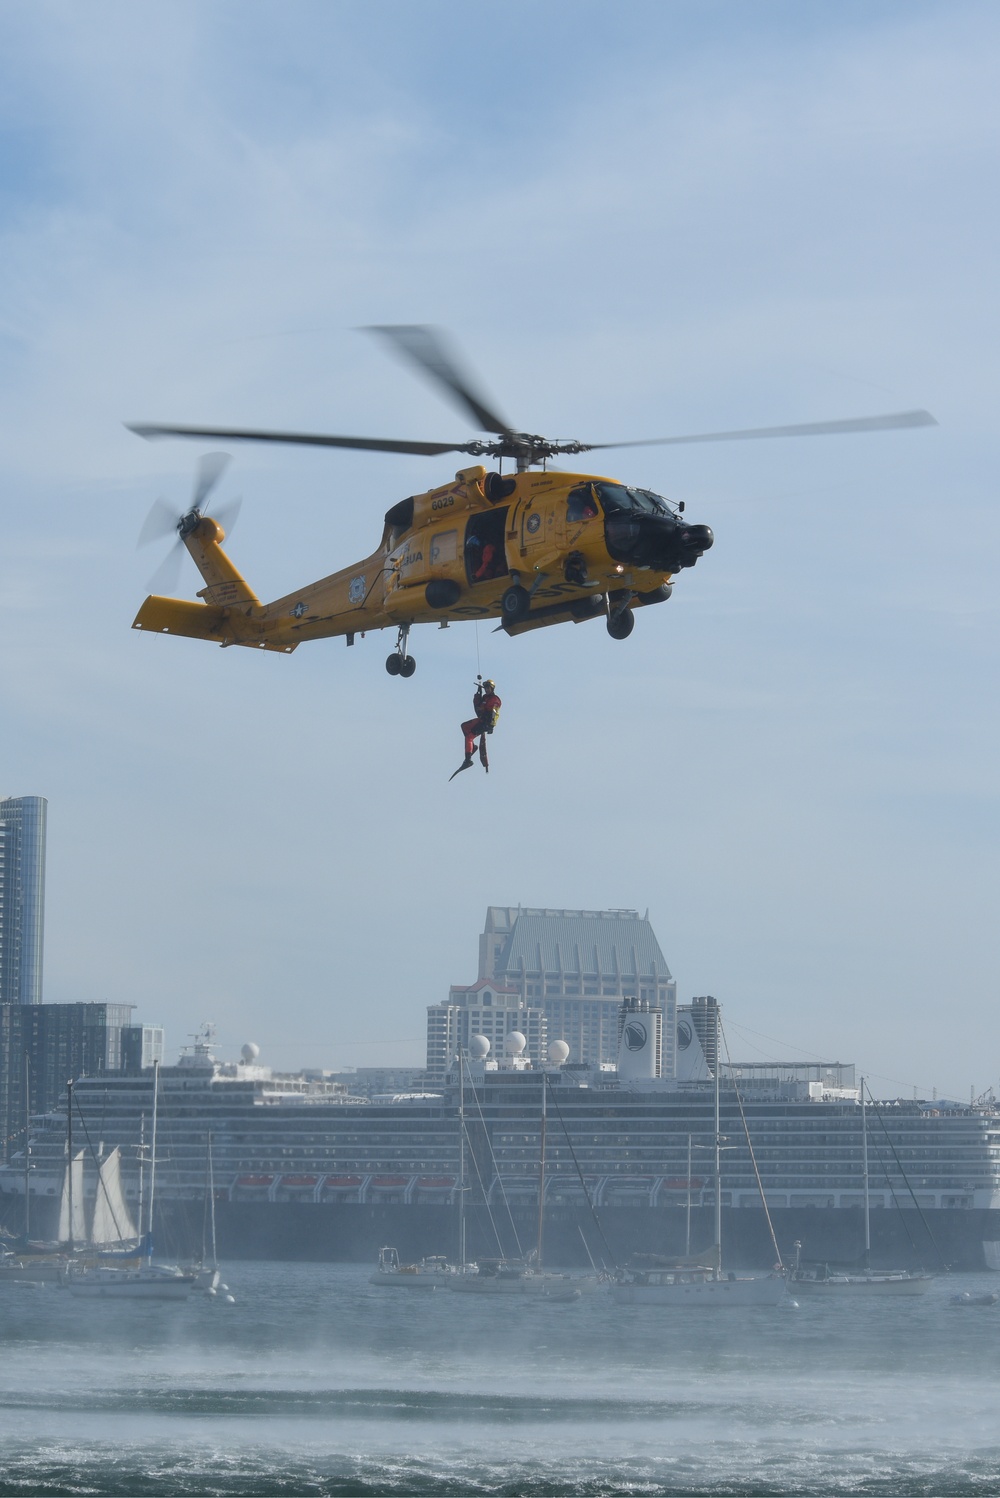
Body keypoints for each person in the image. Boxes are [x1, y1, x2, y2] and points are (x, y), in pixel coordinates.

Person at [450, 678, 502, 779]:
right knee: (464, 726)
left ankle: (468, 760)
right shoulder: (484, 698)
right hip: (481, 720)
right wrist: (478, 694)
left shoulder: (494, 699)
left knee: (469, 737)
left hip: (486, 722)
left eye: (488, 688)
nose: (486, 690)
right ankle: (472, 748)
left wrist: (491, 726)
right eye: (485, 688)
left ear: (492, 689)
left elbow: (493, 712)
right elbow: (477, 706)